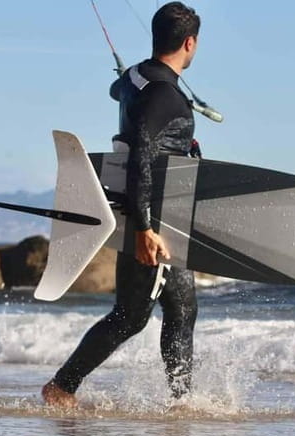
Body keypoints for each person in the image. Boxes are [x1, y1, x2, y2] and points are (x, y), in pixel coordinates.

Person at [42, 2, 201, 407]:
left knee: (182, 309)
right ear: (190, 43)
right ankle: (62, 387)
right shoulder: (164, 95)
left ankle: (182, 401)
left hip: (162, 211)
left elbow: (119, 90)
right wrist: (145, 228)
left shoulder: (136, 78)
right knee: (131, 315)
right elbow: (142, 156)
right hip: (152, 215)